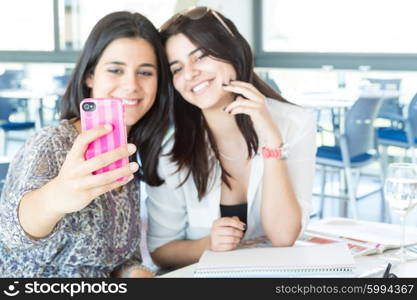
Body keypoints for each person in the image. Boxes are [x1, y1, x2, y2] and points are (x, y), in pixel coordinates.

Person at [0, 11, 172, 277]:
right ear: (90, 76)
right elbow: (11, 237)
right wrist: (55, 197)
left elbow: (121, 259)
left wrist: (135, 273)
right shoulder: (52, 143)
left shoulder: (128, 153)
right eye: (115, 70)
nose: (131, 85)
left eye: (145, 72)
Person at [146, 6, 316, 269]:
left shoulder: (294, 124)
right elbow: (161, 250)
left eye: (200, 57)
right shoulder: (172, 150)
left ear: (231, 52)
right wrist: (208, 245)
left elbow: (283, 236)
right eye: (177, 69)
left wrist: (272, 143)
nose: (190, 74)